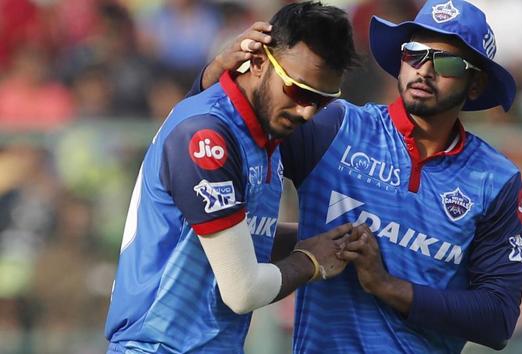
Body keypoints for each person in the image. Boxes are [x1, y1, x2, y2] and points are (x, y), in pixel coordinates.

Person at [193, 0, 522, 353]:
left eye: (445, 62)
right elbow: (216, 141)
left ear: (475, 84)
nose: (424, 71)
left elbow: (498, 319)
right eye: (414, 54)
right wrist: (210, 78)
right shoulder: (335, 127)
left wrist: (386, 285)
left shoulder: (496, 180)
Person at [104, 2, 360, 353]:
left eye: (321, 100)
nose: (307, 111)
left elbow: (246, 234)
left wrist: (327, 239)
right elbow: (243, 291)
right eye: (298, 91)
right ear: (257, 62)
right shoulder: (206, 137)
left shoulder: (262, 132)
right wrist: (312, 260)